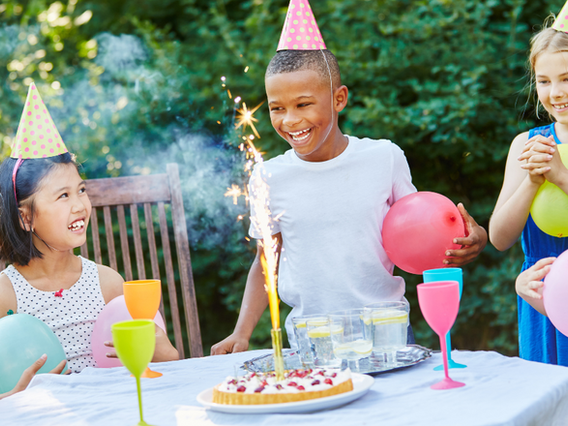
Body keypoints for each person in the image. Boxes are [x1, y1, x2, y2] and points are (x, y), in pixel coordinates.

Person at [211, 0, 487, 355]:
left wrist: (469, 238)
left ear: (339, 98)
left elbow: (420, 235)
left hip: (387, 332)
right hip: (313, 339)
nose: (290, 120)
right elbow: (268, 260)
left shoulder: (384, 158)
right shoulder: (268, 177)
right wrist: (242, 332)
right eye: (277, 108)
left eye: (304, 104)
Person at [0, 83, 178, 400]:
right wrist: (12, 397)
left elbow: (164, 372)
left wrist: (161, 348)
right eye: (63, 196)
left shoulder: (108, 283)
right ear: (26, 218)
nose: (80, 204)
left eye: (81, 190)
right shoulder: (5, 294)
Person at [489, 12, 568, 365]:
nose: (557, 93)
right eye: (545, 81)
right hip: (541, 304)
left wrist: (560, 175)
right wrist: (533, 180)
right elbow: (500, 237)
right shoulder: (527, 144)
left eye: (567, 78)